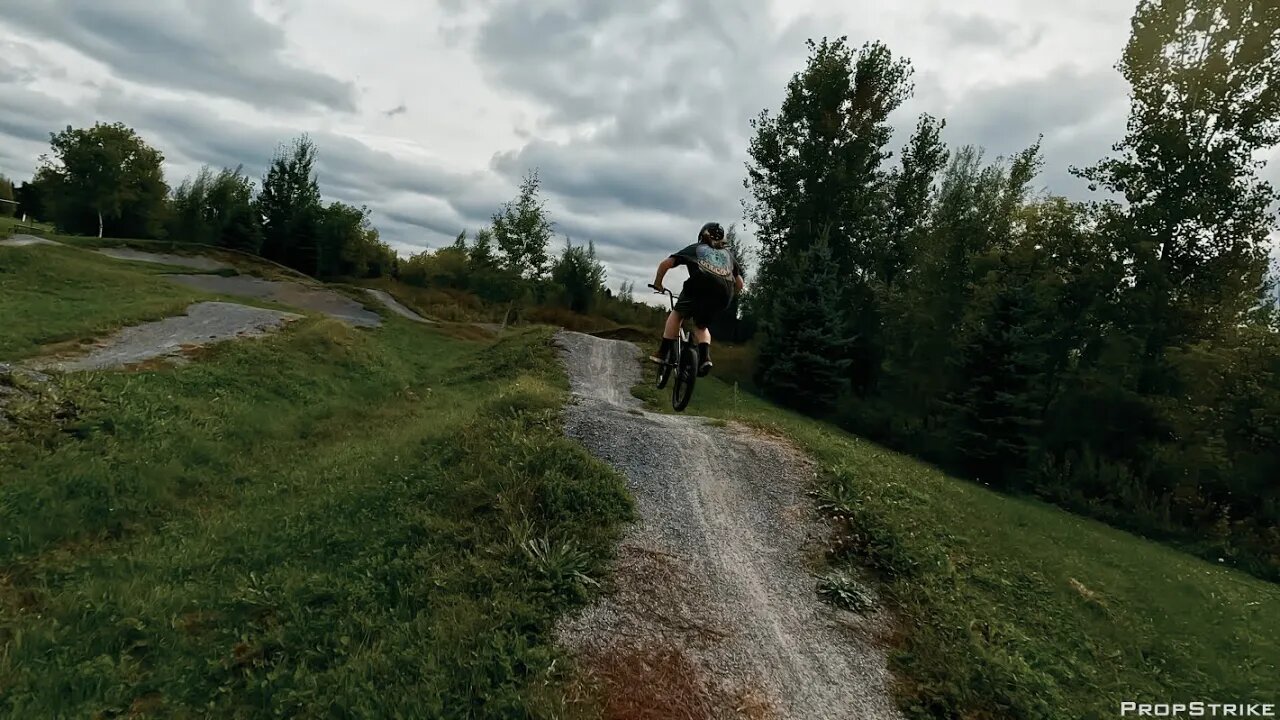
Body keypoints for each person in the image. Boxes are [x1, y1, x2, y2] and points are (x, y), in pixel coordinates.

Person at [649, 221, 744, 376]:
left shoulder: (697, 248)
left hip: (699, 286)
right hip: (724, 294)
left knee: (677, 314)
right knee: (701, 327)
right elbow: (740, 284)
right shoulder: (728, 256)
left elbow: (666, 264)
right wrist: (726, 297)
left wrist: (658, 283)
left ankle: (662, 352)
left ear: (702, 236)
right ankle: (705, 357)